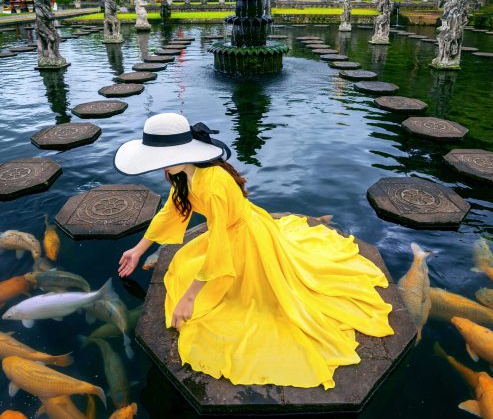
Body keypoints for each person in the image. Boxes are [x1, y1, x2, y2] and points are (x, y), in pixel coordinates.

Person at [115, 113, 394, 389]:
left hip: (245, 238)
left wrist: (189, 298)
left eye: (162, 158)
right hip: (232, 229)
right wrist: (138, 250)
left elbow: (221, 245)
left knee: (245, 303)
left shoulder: (212, 184)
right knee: (190, 271)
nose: (160, 166)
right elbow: (173, 210)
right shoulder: (186, 172)